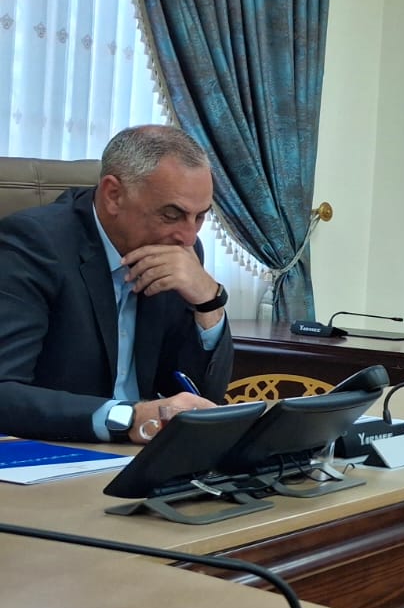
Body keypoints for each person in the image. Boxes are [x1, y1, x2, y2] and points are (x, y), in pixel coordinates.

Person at [0, 125, 232, 443]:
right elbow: (4, 392)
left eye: (200, 217)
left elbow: (200, 395)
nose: (188, 237)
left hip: (144, 453)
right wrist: (128, 418)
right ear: (113, 195)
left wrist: (208, 301)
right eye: (171, 214)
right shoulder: (33, 245)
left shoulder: (179, 254)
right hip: (55, 451)